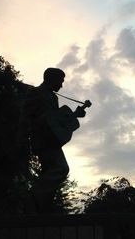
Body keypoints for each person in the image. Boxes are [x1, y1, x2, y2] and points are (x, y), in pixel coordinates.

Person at [20, 68, 86, 213]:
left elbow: (56, 121)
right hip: (42, 140)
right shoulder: (36, 92)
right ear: (52, 79)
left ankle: (43, 205)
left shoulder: (53, 97)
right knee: (61, 168)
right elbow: (25, 116)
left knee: (49, 170)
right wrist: (27, 136)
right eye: (60, 81)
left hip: (50, 140)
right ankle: (34, 198)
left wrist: (75, 115)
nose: (61, 85)